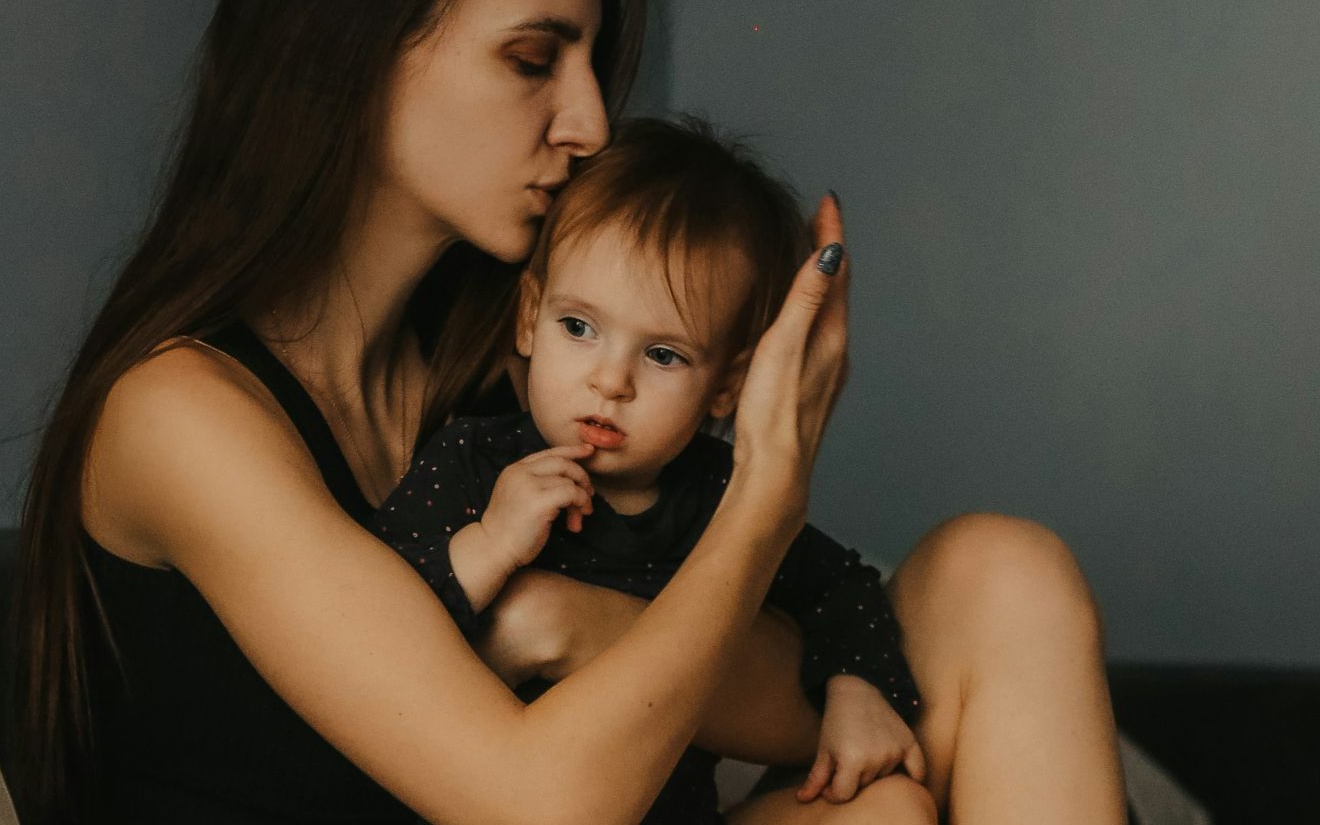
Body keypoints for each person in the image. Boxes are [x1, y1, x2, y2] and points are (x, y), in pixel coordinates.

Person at [10, 0, 1127, 825]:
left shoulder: (525, 379)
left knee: (998, 580)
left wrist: (573, 626)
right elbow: (541, 806)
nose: (590, 122)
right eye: (533, 60)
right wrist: (765, 493)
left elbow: (791, 719)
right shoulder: (176, 414)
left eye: (590, 66)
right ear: (350, 56)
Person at [366, 115, 931, 824]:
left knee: (894, 806)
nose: (611, 381)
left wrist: (858, 688)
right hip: (507, 808)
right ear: (529, 318)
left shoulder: (721, 493)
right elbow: (374, 632)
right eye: (578, 327)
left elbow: (841, 586)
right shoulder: (476, 461)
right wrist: (489, 544)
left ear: (727, 386)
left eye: (663, 355)